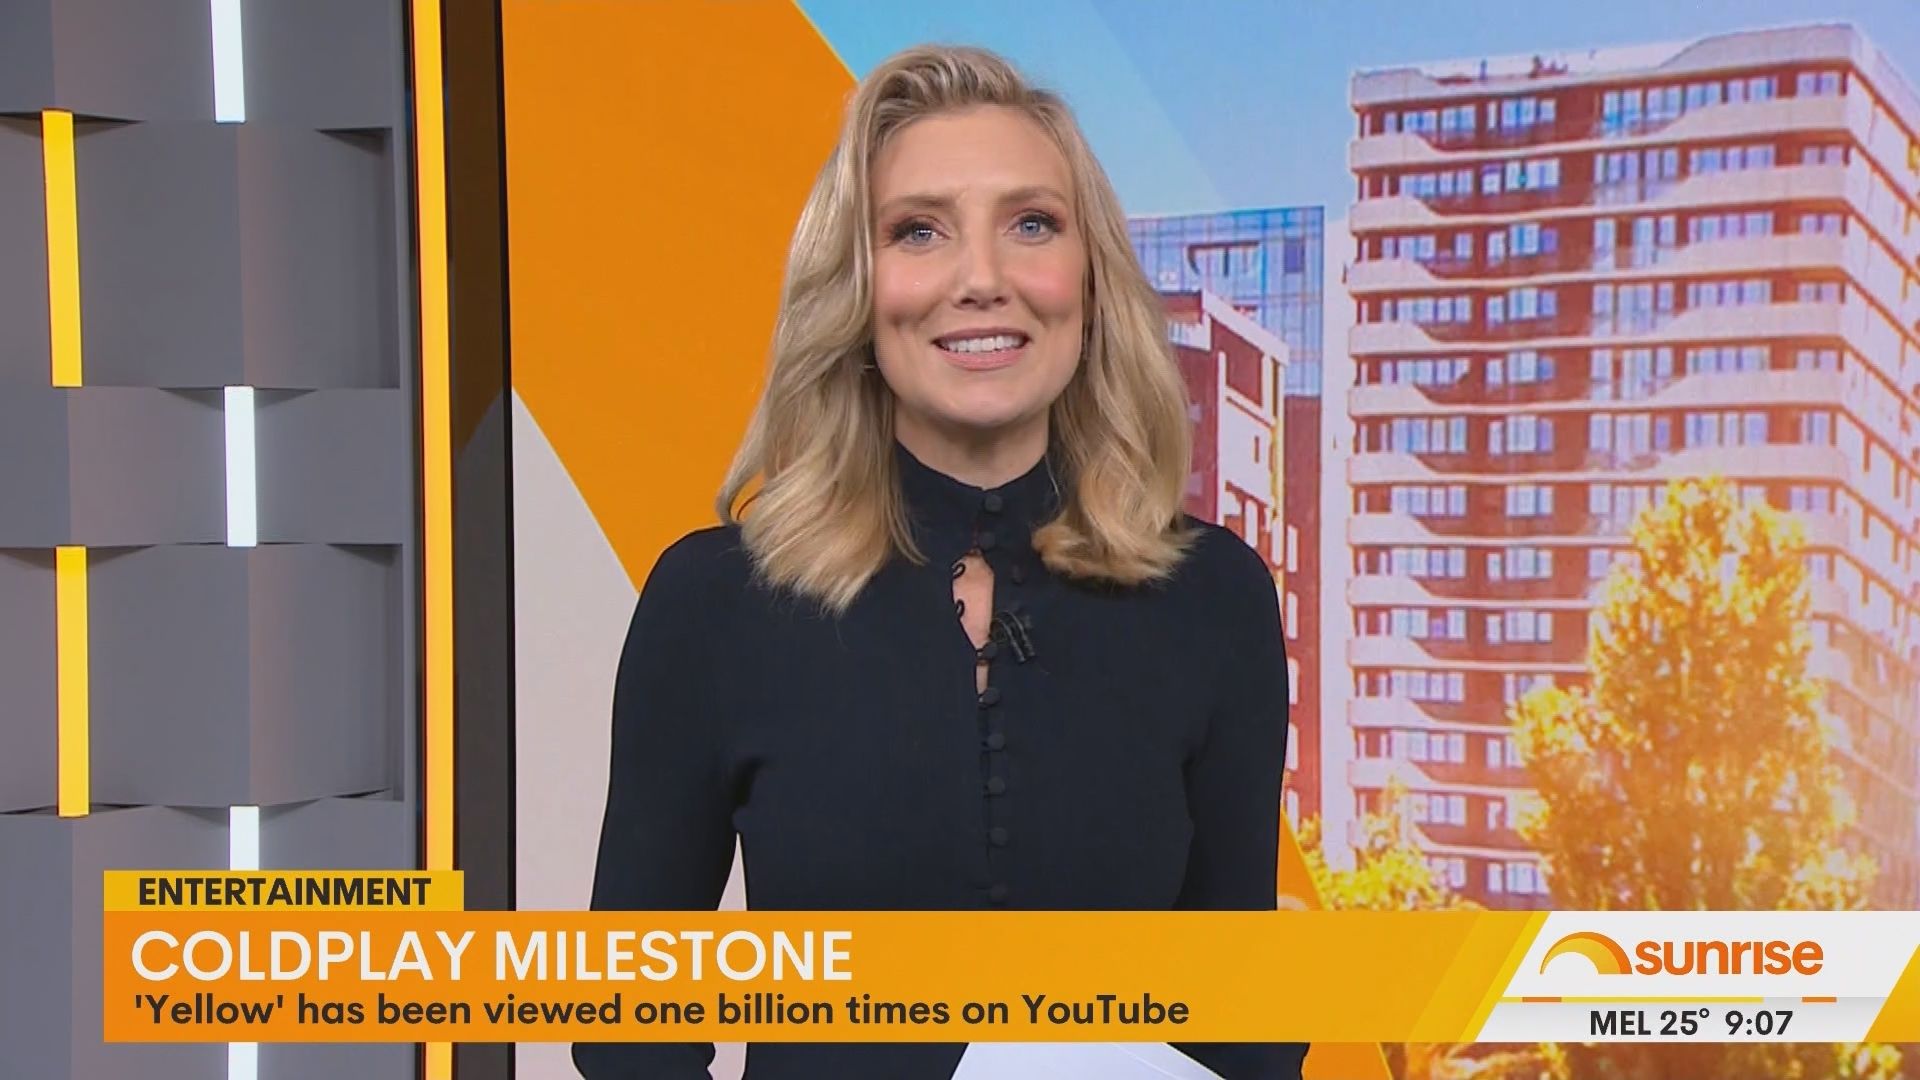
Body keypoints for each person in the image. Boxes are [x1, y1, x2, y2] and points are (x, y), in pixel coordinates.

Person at [574, 43, 1306, 1080]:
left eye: (1031, 224)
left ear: (1089, 282)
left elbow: (1245, 1027)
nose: (982, 280)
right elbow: (629, 1030)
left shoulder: (1215, 599)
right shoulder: (712, 604)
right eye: (918, 230)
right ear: (857, 290)